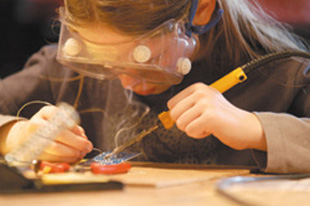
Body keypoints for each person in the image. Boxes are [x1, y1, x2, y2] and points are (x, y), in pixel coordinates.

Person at [0, 0, 309, 173]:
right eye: (103, 62)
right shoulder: (64, 71)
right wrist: (16, 135)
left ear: (201, 10)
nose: (126, 82)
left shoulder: (283, 76)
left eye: (145, 60)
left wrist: (256, 129)